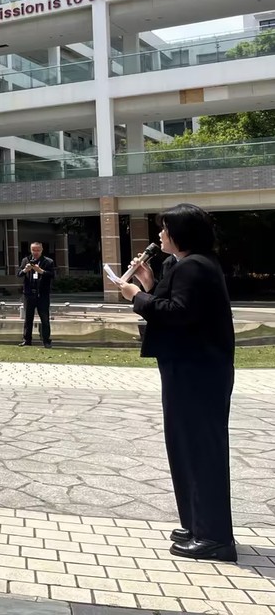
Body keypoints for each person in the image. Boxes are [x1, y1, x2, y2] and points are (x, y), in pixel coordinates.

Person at [118, 204, 236, 562]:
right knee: (187, 449)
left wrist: (135, 296)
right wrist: (149, 285)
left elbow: (177, 314)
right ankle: (198, 525)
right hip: (192, 370)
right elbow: (179, 306)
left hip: (196, 372)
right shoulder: (189, 264)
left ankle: (215, 537)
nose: (160, 235)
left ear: (180, 234)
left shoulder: (194, 266)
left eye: (164, 229)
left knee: (200, 451)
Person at [18, 241, 55, 348]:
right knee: (28, 319)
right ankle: (27, 340)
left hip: (42, 295)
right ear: (31, 250)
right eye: (33, 250)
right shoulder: (25, 260)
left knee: (45, 318)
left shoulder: (48, 261)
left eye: (38, 250)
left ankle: (46, 341)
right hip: (29, 294)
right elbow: (19, 274)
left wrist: (41, 271)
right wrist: (25, 270)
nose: (36, 252)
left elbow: (52, 275)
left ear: (42, 250)